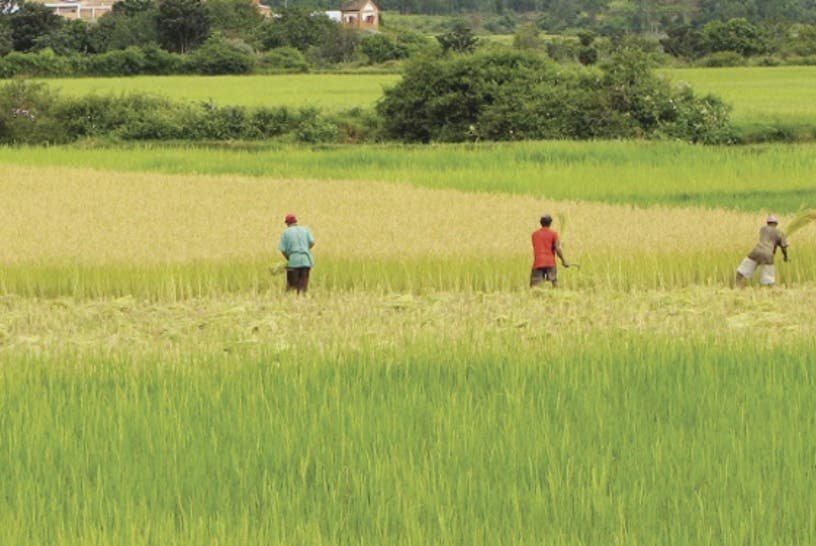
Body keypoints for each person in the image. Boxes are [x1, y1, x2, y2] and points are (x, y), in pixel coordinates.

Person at [735, 214, 788, 288]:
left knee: (741, 271)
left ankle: (737, 286)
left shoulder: (762, 229)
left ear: (767, 223)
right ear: (776, 224)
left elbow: (768, 238)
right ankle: (773, 291)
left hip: (756, 251)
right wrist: (785, 257)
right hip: (768, 254)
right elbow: (783, 247)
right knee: (769, 279)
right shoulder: (780, 233)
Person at [278, 213, 315, 293]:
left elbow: (283, 250)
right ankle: (302, 301)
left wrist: (289, 258)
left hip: (294, 261)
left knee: (291, 286)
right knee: (303, 285)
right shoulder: (305, 229)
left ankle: (292, 301)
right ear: (296, 221)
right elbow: (312, 242)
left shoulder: (285, 233)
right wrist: (305, 249)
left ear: (287, 223)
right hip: (306, 260)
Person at [531, 214, 569, 288]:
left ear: (540, 223)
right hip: (550, 262)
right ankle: (557, 295)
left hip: (538, 261)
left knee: (535, 285)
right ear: (550, 223)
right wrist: (563, 261)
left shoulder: (534, 234)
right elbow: (557, 248)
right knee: (554, 282)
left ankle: (534, 297)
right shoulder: (553, 234)